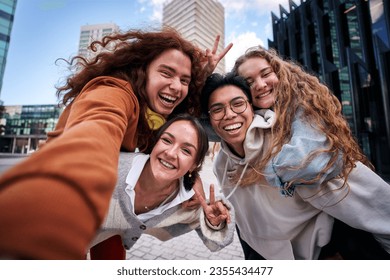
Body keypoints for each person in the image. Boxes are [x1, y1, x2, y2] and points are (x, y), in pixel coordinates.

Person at [0, 27, 232, 259]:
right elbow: (95, 134)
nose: (176, 86)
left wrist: (191, 178)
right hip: (65, 197)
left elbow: (174, 139)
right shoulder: (113, 92)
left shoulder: (150, 115)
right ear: (143, 71)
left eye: (184, 80)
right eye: (166, 73)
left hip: (107, 208)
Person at [201, 72, 390, 259]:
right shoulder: (221, 163)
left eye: (238, 104)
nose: (229, 114)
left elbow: (362, 196)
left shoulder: (290, 146)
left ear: (251, 106)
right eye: (217, 109)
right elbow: (246, 222)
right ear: (209, 118)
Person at [88, 114, 234, 259]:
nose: (171, 153)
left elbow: (216, 243)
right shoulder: (108, 169)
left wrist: (214, 222)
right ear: (155, 143)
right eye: (166, 140)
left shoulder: (188, 202)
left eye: (186, 151)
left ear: (194, 166)